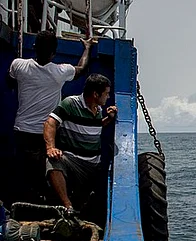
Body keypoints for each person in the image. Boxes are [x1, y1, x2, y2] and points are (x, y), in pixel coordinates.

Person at [7, 30, 94, 203]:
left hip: (22, 131)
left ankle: (24, 206)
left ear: (34, 47)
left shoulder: (18, 65)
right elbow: (81, 69)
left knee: (24, 174)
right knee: (49, 172)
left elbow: (10, 81)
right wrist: (87, 48)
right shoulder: (60, 72)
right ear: (54, 52)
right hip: (49, 135)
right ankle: (50, 203)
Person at [44, 73, 117, 215]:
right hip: (73, 162)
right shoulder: (70, 103)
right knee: (53, 162)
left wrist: (108, 118)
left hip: (93, 165)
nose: (108, 97)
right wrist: (51, 148)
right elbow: (50, 123)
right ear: (96, 94)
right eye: (106, 94)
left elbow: (93, 125)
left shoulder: (98, 109)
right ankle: (67, 206)